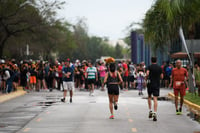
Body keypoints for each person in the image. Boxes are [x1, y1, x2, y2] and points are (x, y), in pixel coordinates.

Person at [146, 57, 163, 121]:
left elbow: (147, 73)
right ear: (156, 60)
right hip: (157, 84)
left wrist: (147, 77)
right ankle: (155, 112)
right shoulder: (159, 67)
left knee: (149, 96)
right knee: (155, 98)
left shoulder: (149, 67)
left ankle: (150, 110)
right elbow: (162, 76)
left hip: (150, 83)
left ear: (151, 61)